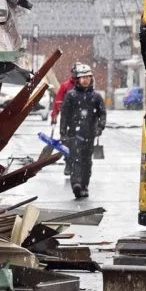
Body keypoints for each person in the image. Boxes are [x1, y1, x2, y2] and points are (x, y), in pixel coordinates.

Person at [59, 63, 106, 200]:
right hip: (74, 135)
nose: (85, 80)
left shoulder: (96, 97)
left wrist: (100, 127)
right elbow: (65, 115)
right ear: (77, 79)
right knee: (76, 160)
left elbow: (102, 113)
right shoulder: (71, 96)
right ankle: (76, 184)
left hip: (90, 135)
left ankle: (84, 185)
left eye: (88, 77)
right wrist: (63, 132)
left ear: (91, 79)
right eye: (82, 77)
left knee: (87, 162)